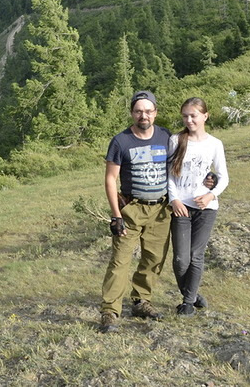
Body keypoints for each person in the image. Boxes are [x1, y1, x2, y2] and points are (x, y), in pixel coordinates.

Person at [99, 90, 172, 333]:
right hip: (130, 209)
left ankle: (141, 301)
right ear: (132, 113)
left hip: (160, 209)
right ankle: (110, 312)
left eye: (148, 111)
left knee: (153, 258)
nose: (144, 115)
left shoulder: (165, 136)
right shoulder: (121, 141)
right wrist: (115, 215)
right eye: (139, 111)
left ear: (155, 112)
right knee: (120, 261)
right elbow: (110, 179)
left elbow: (180, 165)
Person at [168, 97, 229, 315]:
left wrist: (211, 195)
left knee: (196, 255)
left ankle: (187, 303)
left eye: (193, 115)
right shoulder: (176, 140)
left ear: (205, 116)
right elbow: (170, 176)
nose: (189, 120)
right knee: (180, 259)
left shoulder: (215, 144)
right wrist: (173, 199)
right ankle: (193, 294)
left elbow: (223, 177)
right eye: (185, 116)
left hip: (205, 208)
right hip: (180, 207)